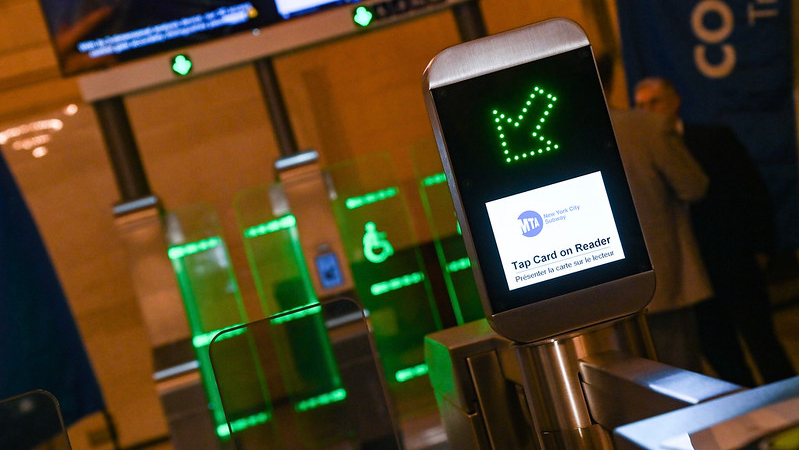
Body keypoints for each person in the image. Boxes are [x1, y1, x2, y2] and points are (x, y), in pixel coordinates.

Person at [634, 77, 796, 386]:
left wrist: (762, 247)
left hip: (734, 263)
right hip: (693, 274)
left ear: (674, 100)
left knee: (764, 344)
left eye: (653, 102)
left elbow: (752, 192)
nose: (647, 111)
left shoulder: (713, 139)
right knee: (723, 358)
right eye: (640, 105)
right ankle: (748, 417)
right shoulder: (644, 154)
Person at [597, 57, 713, 373]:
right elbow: (693, 186)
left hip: (601, 294)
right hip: (662, 280)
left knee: (631, 386)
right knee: (683, 377)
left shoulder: (569, 142)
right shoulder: (647, 128)